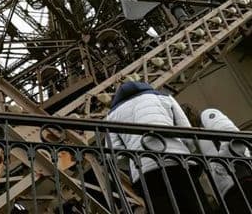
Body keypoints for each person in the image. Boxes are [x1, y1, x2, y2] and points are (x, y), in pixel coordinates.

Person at [105, 81, 208, 214]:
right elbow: (187, 132)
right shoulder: (164, 97)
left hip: (144, 171)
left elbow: (116, 156)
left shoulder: (111, 116)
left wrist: (134, 163)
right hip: (178, 161)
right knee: (194, 205)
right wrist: (190, 151)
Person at [185, 105, 252, 212]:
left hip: (241, 181)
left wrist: (220, 169)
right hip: (229, 190)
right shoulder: (198, 137)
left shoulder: (207, 115)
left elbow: (234, 138)